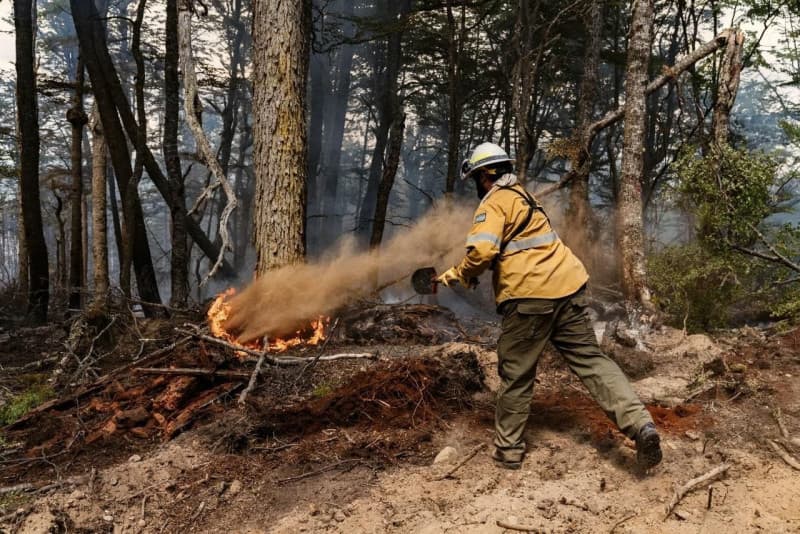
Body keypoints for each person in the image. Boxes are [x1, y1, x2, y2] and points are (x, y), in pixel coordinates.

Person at [437, 142, 662, 470]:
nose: (476, 185)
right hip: (568, 290)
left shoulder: (495, 202)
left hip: (530, 298)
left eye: (475, 178)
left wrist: (459, 273)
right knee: (592, 362)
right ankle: (641, 425)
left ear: (486, 175)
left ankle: (509, 452)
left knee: (516, 372)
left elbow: (482, 252)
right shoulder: (525, 198)